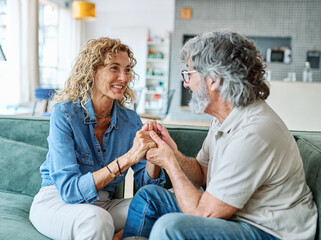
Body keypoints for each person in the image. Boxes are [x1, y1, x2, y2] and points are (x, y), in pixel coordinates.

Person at [122, 31, 317, 240]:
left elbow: (202, 212)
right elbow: (202, 173)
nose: (186, 83)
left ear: (214, 79)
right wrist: (172, 152)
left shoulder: (253, 133)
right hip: (236, 214)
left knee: (171, 228)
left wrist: (169, 162)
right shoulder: (224, 117)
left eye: (189, 74)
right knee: (148, 197)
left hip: (270, 230)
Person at [29, 37, 165, 240]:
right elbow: (69, 191)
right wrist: (128, 157)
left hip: (103, 204)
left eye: (127, 70)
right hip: (57, 201)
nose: (123, 77)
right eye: (114, 68)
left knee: (162, 205)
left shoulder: (130, 121)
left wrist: (154, 155)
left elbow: (146, 185)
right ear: (92, 71)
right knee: (97, 220)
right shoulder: (65, 114)